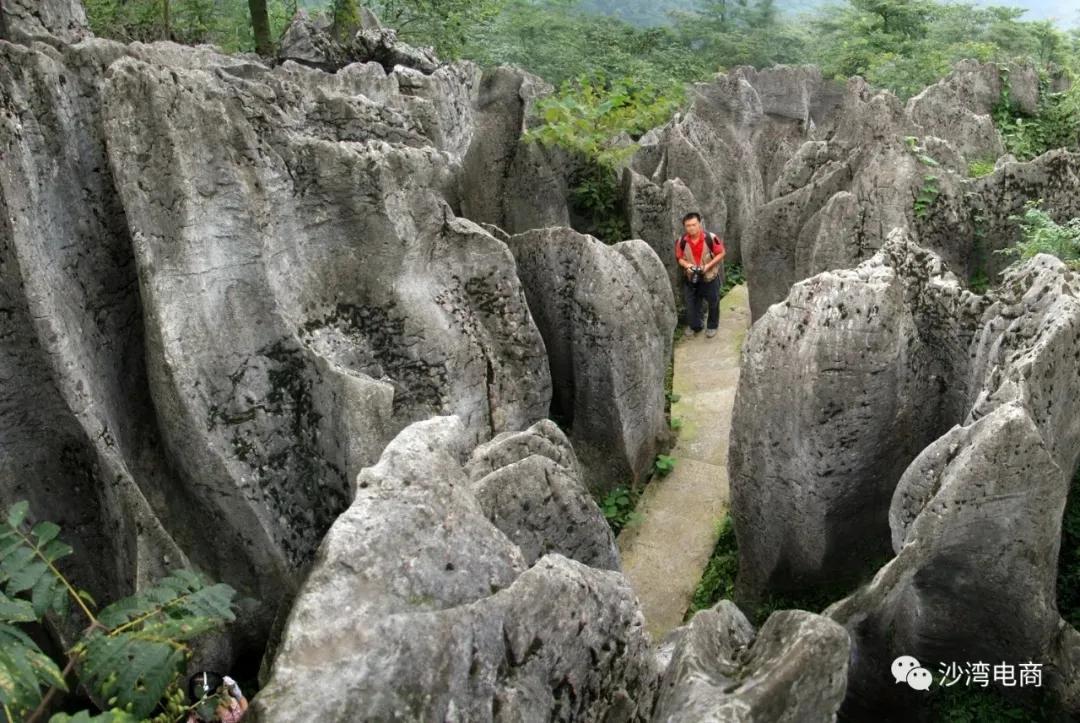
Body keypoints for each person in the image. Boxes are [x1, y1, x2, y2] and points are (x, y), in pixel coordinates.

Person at [675, 212, 725, 338]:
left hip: (710, 277)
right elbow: (680, 258)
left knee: (713, 302)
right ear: (684, 227)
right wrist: (688, 266)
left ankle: (712, 326)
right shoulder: (682, 241)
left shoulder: (710, 238)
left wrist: (708, 266)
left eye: (694, 224)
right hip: (691, 278)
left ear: (699, 224)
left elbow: (721, 253)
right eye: (688, 226)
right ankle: (696, 326)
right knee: (692, 303)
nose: (691, 228)